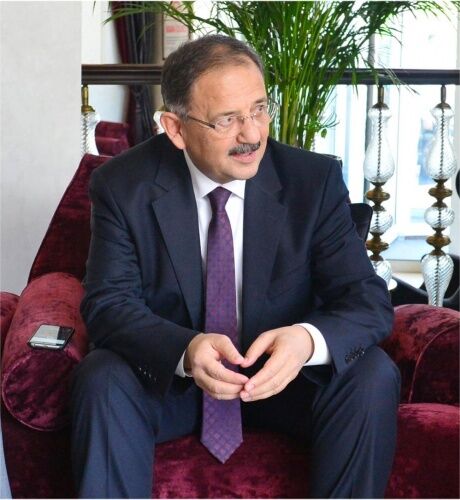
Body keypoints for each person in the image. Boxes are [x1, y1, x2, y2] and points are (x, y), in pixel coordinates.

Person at [70, 34, 400, 498]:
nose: (252, 134)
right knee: (102, 377)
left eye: (259, 109)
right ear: (175, 128)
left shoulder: (312, 181)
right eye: (227, 119)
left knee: (372, 374)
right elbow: (107, 304)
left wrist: (306, 341)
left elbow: (366, 300)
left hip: (286, 383)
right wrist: (185, 350)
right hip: (175, 385)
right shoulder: (123, 185)